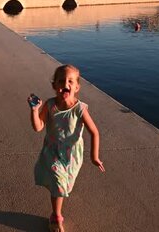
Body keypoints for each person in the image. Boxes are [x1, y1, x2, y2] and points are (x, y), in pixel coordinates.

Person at [28, 64, 104, 232]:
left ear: (76, 87)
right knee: (59, 184)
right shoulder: (49, 105)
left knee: (64, 186)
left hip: (72, 155)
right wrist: (35, 111)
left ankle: (56, 211)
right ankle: (56, 216)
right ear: (54, 86)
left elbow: (94, 132)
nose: (65, 84)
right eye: (61, 81)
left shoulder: (79, 109)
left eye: (70, 81)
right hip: (52, 152)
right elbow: (39, 127)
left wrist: (94, 156)